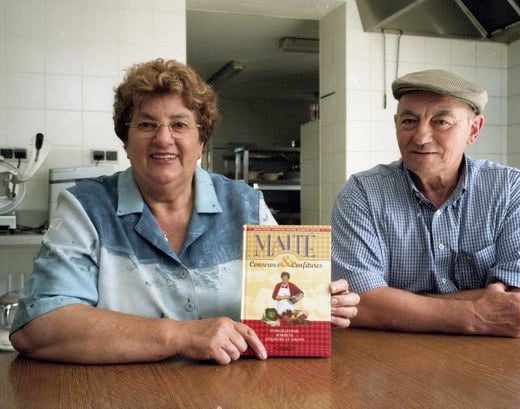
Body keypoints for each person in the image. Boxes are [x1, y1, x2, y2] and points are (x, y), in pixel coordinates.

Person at [9, 58, 359, 365]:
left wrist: (311, 308)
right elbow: (38, 326)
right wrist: (181, 335)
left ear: (201, 141)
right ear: (126, 141)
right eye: (146, 125)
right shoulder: (86, 208)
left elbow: (271, 311)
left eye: (179, 124)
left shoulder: (246, 205)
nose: (163, 138)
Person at [331, 69, 520, 338]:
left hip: (494, 365)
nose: (420, 137)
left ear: (473, 130)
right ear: (396, 124)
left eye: (441, 122)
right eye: (409, 121)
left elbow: (518, 304)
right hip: (389, 360)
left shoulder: (510, 190)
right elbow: (360, 302)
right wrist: (475, 315)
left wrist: (393, 303)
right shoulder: (363, 192)